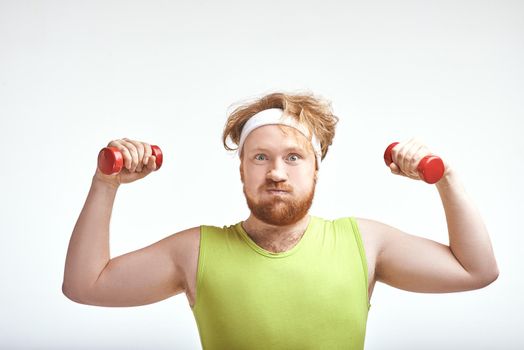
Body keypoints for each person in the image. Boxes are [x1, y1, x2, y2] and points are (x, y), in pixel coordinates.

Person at [62, 92, 499, 349]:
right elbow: (85, 286)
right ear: (242, 170)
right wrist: (105, 184)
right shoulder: (195, 251)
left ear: (316, 168)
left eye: (293, 157)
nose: (276, 171)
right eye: (260, 158)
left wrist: (448, 179)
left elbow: (476, 270)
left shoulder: (363, 242)